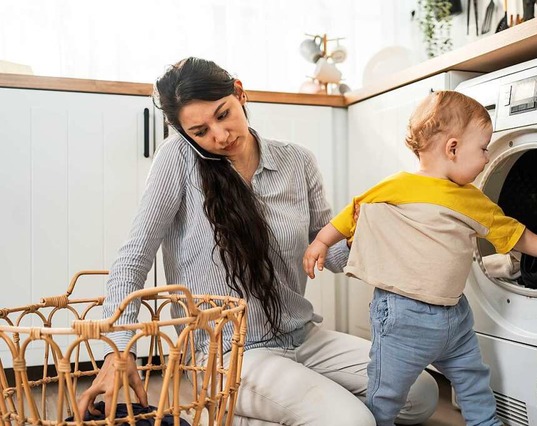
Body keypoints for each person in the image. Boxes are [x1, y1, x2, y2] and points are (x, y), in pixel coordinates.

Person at [76, 57, 439, 425]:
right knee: (353, 421)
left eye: (223, 114)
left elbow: (327, 251)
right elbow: (133, 258)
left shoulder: (297, 162)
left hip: (302, 336)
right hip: (227, 353)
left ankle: (269, 412)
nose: (219, 136)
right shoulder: (178, 160)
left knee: (420, 393)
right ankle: (243, 411)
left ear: (239, 93)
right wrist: (117, 352)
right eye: (200, 131)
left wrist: (375, 238)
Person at [303, 90, 537, 426]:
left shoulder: (472, 199)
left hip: (455, 317)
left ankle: (485, 423)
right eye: (483, 148)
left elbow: (513, 232)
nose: (487, 159)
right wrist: (321, 242)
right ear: (453, 148)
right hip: (401, 318)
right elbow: (351, 215)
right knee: (387, 392)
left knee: (473, 381)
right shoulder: (396, 185)